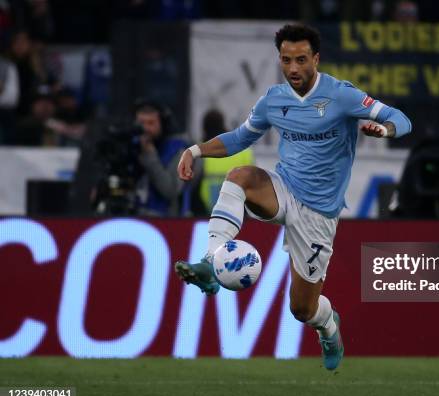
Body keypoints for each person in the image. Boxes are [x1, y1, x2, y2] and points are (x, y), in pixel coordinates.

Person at [174, 24, 412, 370]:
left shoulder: (341, 95)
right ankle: (211, 262)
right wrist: (195, 151)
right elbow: (240, 138)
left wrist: (384, 128)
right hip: (283, 188)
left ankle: (330, 329)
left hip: (318, 214)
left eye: (301, 60)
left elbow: (400, 118)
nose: (294, 69)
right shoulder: (274, 100)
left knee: (302, 309)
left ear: (316, 58)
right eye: (286, 60)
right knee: (239, 177)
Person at [192, 109, 255, 216]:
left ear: (204, 128)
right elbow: (254, 184)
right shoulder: (244, 151)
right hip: (239, 211)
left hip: (208, 211)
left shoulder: (201, 153)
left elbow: (193, 187)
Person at [133, 99, 187, 216]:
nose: (145, 128)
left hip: (164, 221)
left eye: (151, 123)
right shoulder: (131, 145)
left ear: (162, 124)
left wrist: (150, 157)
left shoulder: (177, 150)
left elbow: (171, 190)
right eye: (141, 123)